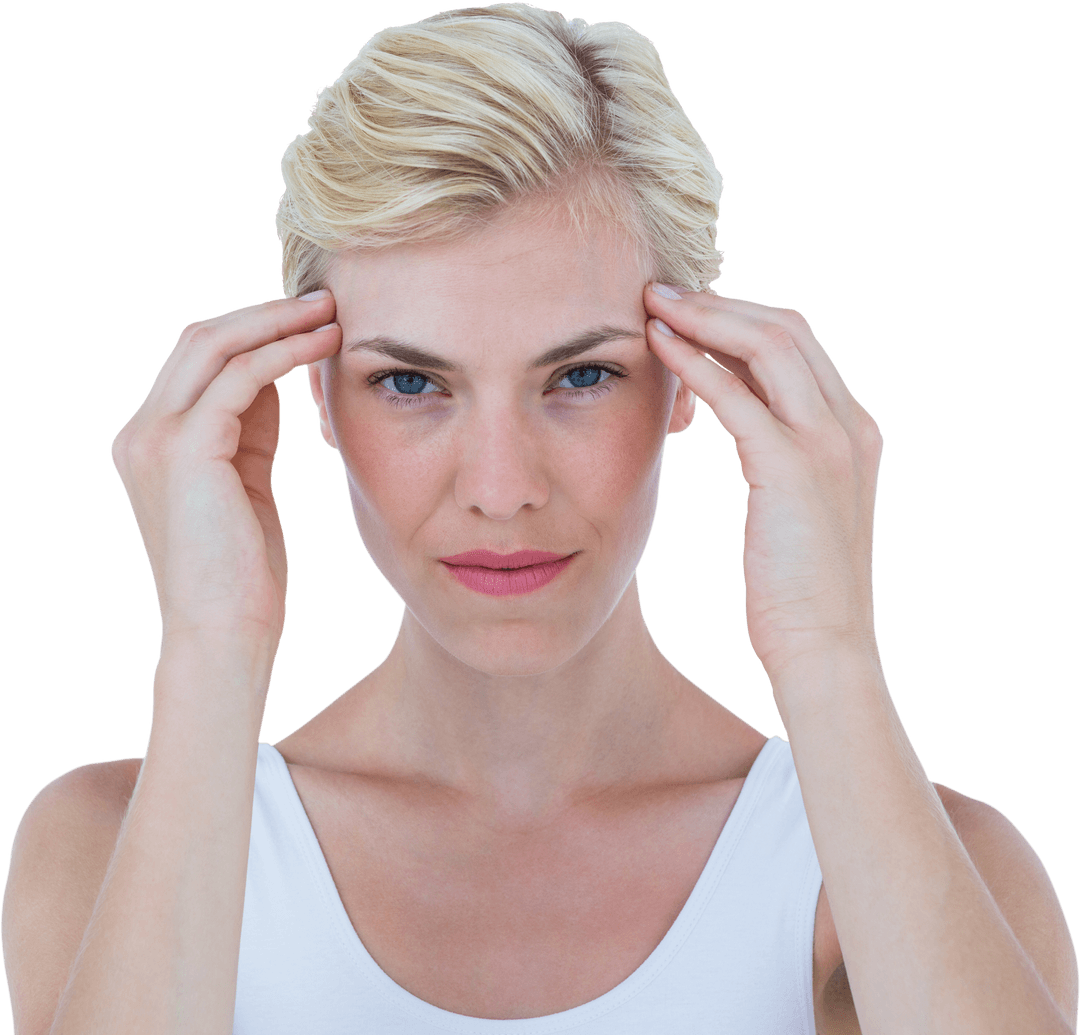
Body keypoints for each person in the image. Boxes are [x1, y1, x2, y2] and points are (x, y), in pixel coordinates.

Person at [3, 4, 1076, 1033]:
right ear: (316, 396)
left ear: (693, 377)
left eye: (583, 375)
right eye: (413, 385)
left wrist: (828, 649)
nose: (502, 488)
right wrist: (208, 654)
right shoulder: (105, 848)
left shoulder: (916, 868)